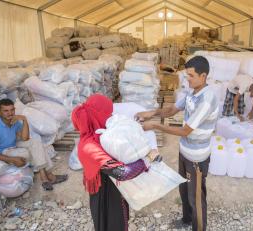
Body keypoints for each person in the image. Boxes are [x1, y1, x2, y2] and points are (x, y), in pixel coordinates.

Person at [135, 56, 218, 231]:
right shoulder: (192, 92)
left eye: (191, 75)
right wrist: (153, 113)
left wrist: (155, 125)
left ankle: (199, 228)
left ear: (203, 76)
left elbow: (186, 131)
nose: (187, 79)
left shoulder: (207, 99)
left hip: (197, 157)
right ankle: (187, 219)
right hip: (185, 151)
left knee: (196, 196)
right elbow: (173, 109)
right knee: (184, 188)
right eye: (187, 75)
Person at [71, 94, 159, 231]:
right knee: (112, 224)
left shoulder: (103, 135)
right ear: (98, 115)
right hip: (106, 195)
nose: (111, 115)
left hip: (113, 188)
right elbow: (122, 173)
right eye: (108, 112)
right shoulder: (90, 147)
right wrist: (147, 159)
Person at [0, 98, 68, 191]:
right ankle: (49, 177)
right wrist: (11, 159)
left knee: (36, 142)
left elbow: (25, 138)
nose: (10, 113)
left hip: (14, 144)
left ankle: (45, 178)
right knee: (30, 153)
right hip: (4, 150)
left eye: (12, 110)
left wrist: (24, 119)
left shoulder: (14, 120)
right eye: (6, 111)